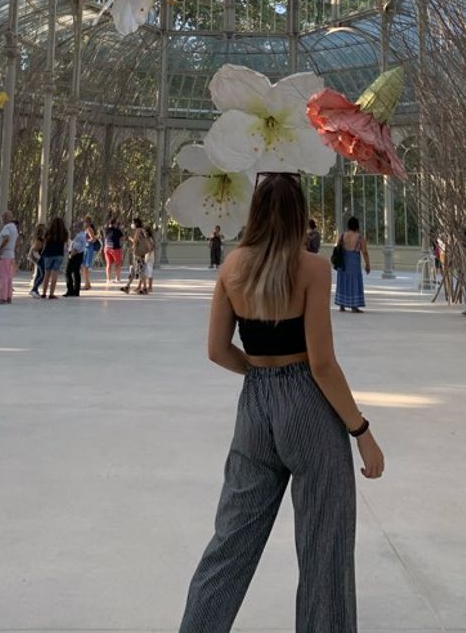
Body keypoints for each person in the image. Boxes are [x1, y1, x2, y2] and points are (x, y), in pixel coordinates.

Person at [177, 173, 385, 633]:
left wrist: (258, 374)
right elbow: (323, 364)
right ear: (297, 216)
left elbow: (216, 349)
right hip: (308, 408)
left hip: (255, 404)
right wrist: (362, 431)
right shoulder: (312, 269)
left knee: (230, 543)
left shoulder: (232, 267)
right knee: (323, 550)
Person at [334, 216, 370, 313]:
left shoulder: (342, 235)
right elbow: (365, 252)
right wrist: (368, 264)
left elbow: (337, 246)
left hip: (343, 262)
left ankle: (342, 305)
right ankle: (354, 306)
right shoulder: (359, 237)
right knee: (354, 282)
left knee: (343, 281)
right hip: (353, 262)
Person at [0, 210, 18, 304]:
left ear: (6, 218)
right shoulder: (14, 227)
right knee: (9, 277)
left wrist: (0, 249)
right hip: (10, 255)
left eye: (2, 218)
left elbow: (6, 238)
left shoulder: (7, 227)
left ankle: (2, 298)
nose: (2, 220)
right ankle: (8, 296)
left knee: (3, 277)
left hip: (4, 255)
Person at [40, 216, 69, 299]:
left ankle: (44, 293)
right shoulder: (64, 232)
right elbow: (65, 243)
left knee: (46, 274)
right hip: (59, 254)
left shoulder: (49, 232)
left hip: (48, 254)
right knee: (54, 274)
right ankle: (51, 294)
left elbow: (44, 241)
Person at [121, 217, 151, 295]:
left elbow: (135, 241)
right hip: (141, 253)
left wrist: (129, 238)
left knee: (140, 270)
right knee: (134, 270)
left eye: (133, 222)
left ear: (136, 223)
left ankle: (144, 288)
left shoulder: (138, 230)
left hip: (138, 254)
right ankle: (127, 286)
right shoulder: (143, 230)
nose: (132, 224)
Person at [65, 220, 90, 297]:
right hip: (80, 255)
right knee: (76, 272)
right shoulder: (81, 235)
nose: (74, 228)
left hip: (76, 255)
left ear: (79, 227)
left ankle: (70, 290)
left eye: (75, 227)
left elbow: (76, 248)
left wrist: (71, 255)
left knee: (68, 272)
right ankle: (76, 290)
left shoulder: (79, 236)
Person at [103, 217, 124, 284]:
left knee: (108, 264)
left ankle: (108, 279)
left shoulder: (106, 230)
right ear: (115, 223)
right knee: (117, 264)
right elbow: (122, 238)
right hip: (115, 248)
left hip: (107, 248)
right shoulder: (117, 230)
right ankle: (117, 278)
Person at [28, 223, 46, 298]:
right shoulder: (39, 239)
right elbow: (36, 248)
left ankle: (36, 290)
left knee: (39, 274)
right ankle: (34, 289)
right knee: (42, 275)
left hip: (38, 257)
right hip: (39, 258)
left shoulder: (37, 238)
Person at [82, 220, 100, 290]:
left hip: (89, 249)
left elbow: (93, 239)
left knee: (85, 267)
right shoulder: (87, 229)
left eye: (85, 221)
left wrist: (86, 240)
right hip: (87, 249)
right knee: (83, 267)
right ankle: (87, 283)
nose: (84, 223)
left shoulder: (89, 229)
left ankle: (87, 284)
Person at [143, 224, 156, 294]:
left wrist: (145, 251)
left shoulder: (148, 239)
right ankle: (148, 287)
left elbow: (150, 248)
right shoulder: (150, 239)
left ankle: (149, 287)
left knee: (148, 273)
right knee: (147, 272)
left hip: (148, 258)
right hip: (148, 258)